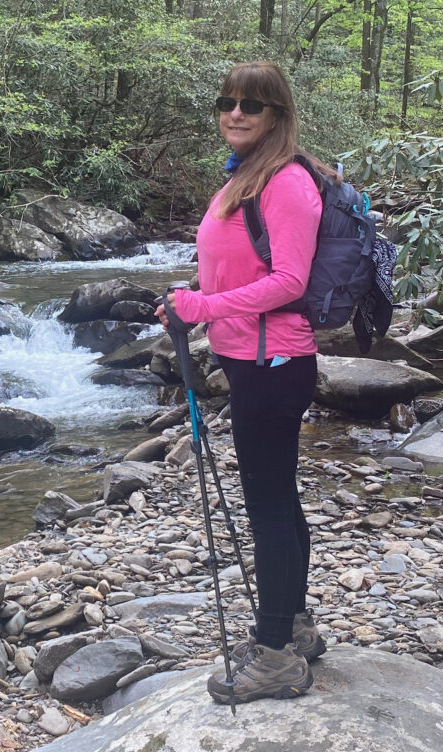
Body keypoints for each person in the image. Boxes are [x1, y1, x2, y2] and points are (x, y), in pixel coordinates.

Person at [156, 60, 331, 705]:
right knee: (279, 500)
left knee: (268, 510)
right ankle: (296, 627)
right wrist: (192, 298)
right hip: (250, 360)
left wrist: (200, 308)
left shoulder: (285, 183)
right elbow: (232, 271)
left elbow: (291, 280)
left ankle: (277, 653)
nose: (235, 113)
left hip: (275, 364)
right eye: (226, 102)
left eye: (251, 105)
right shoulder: (242, 178)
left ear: (276, 116)